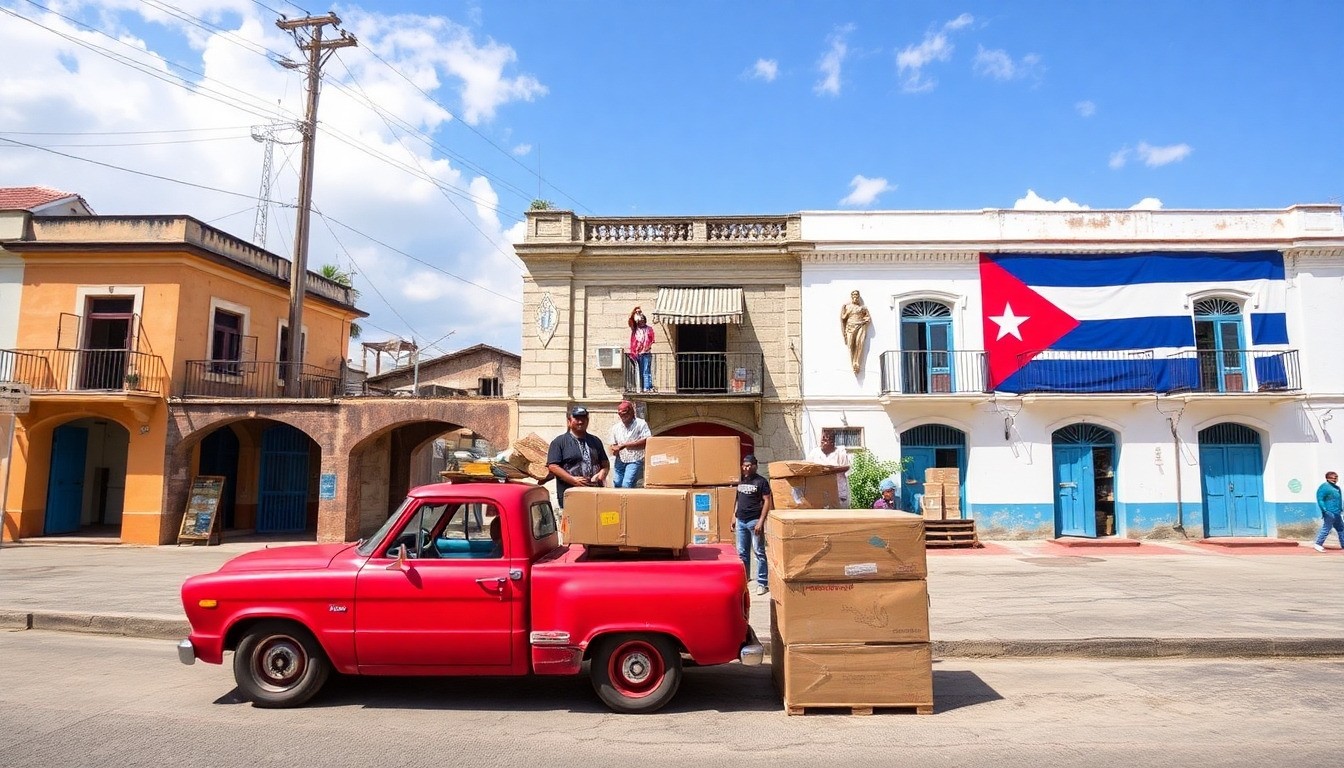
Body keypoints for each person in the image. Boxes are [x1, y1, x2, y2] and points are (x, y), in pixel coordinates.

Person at [546, 406, 609, 509]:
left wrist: (602, 473)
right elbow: (553, 466)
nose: (580, 421)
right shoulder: (559, 442)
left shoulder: (595, 441)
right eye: (577, 418)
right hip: (571, 494)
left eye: (583, 418)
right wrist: (572, 480)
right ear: (569, 421)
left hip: (595, 493)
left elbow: (605, 464)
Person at [734, 454, 773, 596]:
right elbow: (738, 500)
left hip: (754, 521)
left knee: (759, 552)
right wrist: (734, 516)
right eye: (744, 465)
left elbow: (767, 501)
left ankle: (762, 583)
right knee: (742, 553)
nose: (746, 467)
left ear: (755, 466)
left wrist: (761, 521)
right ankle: (744, 580)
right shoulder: (741, 480)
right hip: (741, 521)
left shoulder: (761, 481)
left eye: (749, 465)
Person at [608, 400, 651, 488]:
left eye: (625, 413)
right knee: (617, 483)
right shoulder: (616, 427)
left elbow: (647, 440)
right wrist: (614, 449)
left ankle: (625, 501)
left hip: (635, 459)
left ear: (631, 412)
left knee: (626, 484)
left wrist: (626, 445)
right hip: (620, 459)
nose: (623, 416)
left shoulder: (641, 424)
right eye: (620, 414)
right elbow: (613, 444)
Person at [806, 429, 851, 507]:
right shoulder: (814, 453)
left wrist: (831, 470)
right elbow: (807, 468)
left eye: (827, 440)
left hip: (838, 493)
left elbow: (846, 468)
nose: (824, 443)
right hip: (819, 492)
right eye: (822, 440)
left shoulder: (840, 452)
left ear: (833, 442)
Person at [840, 290, 871, 374]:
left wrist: (865, 320)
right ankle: (853, 361)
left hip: (860, 325)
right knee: (850, 344)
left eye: (857, 296)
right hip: (850, 327)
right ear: (852, 297)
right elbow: (843, 318)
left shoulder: (863, 308)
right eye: (854, 296)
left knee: (859, 343)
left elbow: (868, 318)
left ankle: (856, 362)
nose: (855, 297)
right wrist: (844, 310)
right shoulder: (848, 307)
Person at [629, 306, 656, 392]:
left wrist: (648, 346)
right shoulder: (635, 329)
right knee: (639, 371)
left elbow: (652, 340)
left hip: (646, 353)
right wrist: (635, 312)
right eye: (640, 320)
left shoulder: (649, 329)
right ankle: (639, 388)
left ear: (645, 320)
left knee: (646, 371)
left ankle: (647, 388)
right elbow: (630, 320)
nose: (641, 322)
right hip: (637, 354)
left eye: (643, 320)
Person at [1314, 470, 1342, 552]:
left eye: (1336, 477)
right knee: (1326, 528)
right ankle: (1318, 544)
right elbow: (1320, 499)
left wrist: (1340, 509)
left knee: (1341, 529)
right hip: (1329, 512)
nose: (1335, 479)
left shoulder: (1337, 488)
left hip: (1337, 512)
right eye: (1333, 478)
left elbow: (1339, 500)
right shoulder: (1324, 487)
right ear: (1327, 478)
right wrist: (1325, 510)